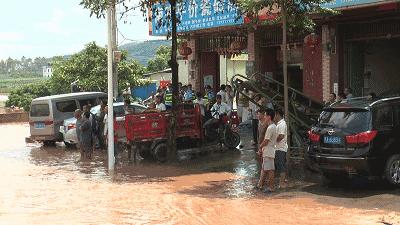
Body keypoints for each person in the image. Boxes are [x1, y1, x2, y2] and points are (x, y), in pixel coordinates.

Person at [256, 108, 277, 193]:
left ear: (268, 117)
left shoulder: (270, 127)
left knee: (270, 170)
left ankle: (271, 187)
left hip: (268, 150)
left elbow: (266, 140)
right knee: (265, 169)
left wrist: (260, 146)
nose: (264, 117)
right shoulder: (273, 126)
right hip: (269, 150)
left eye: (265, 115)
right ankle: (260, 185)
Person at [274, 108, 288, 189]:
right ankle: (282, 181)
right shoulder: (279, 123)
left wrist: (274, 141)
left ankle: (282, 183)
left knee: (281, 165)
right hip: (278, 147)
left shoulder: (282, 124)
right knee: (279, 165)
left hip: (281, 147)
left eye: (275, 115)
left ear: (277, 114)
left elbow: (281, 136)